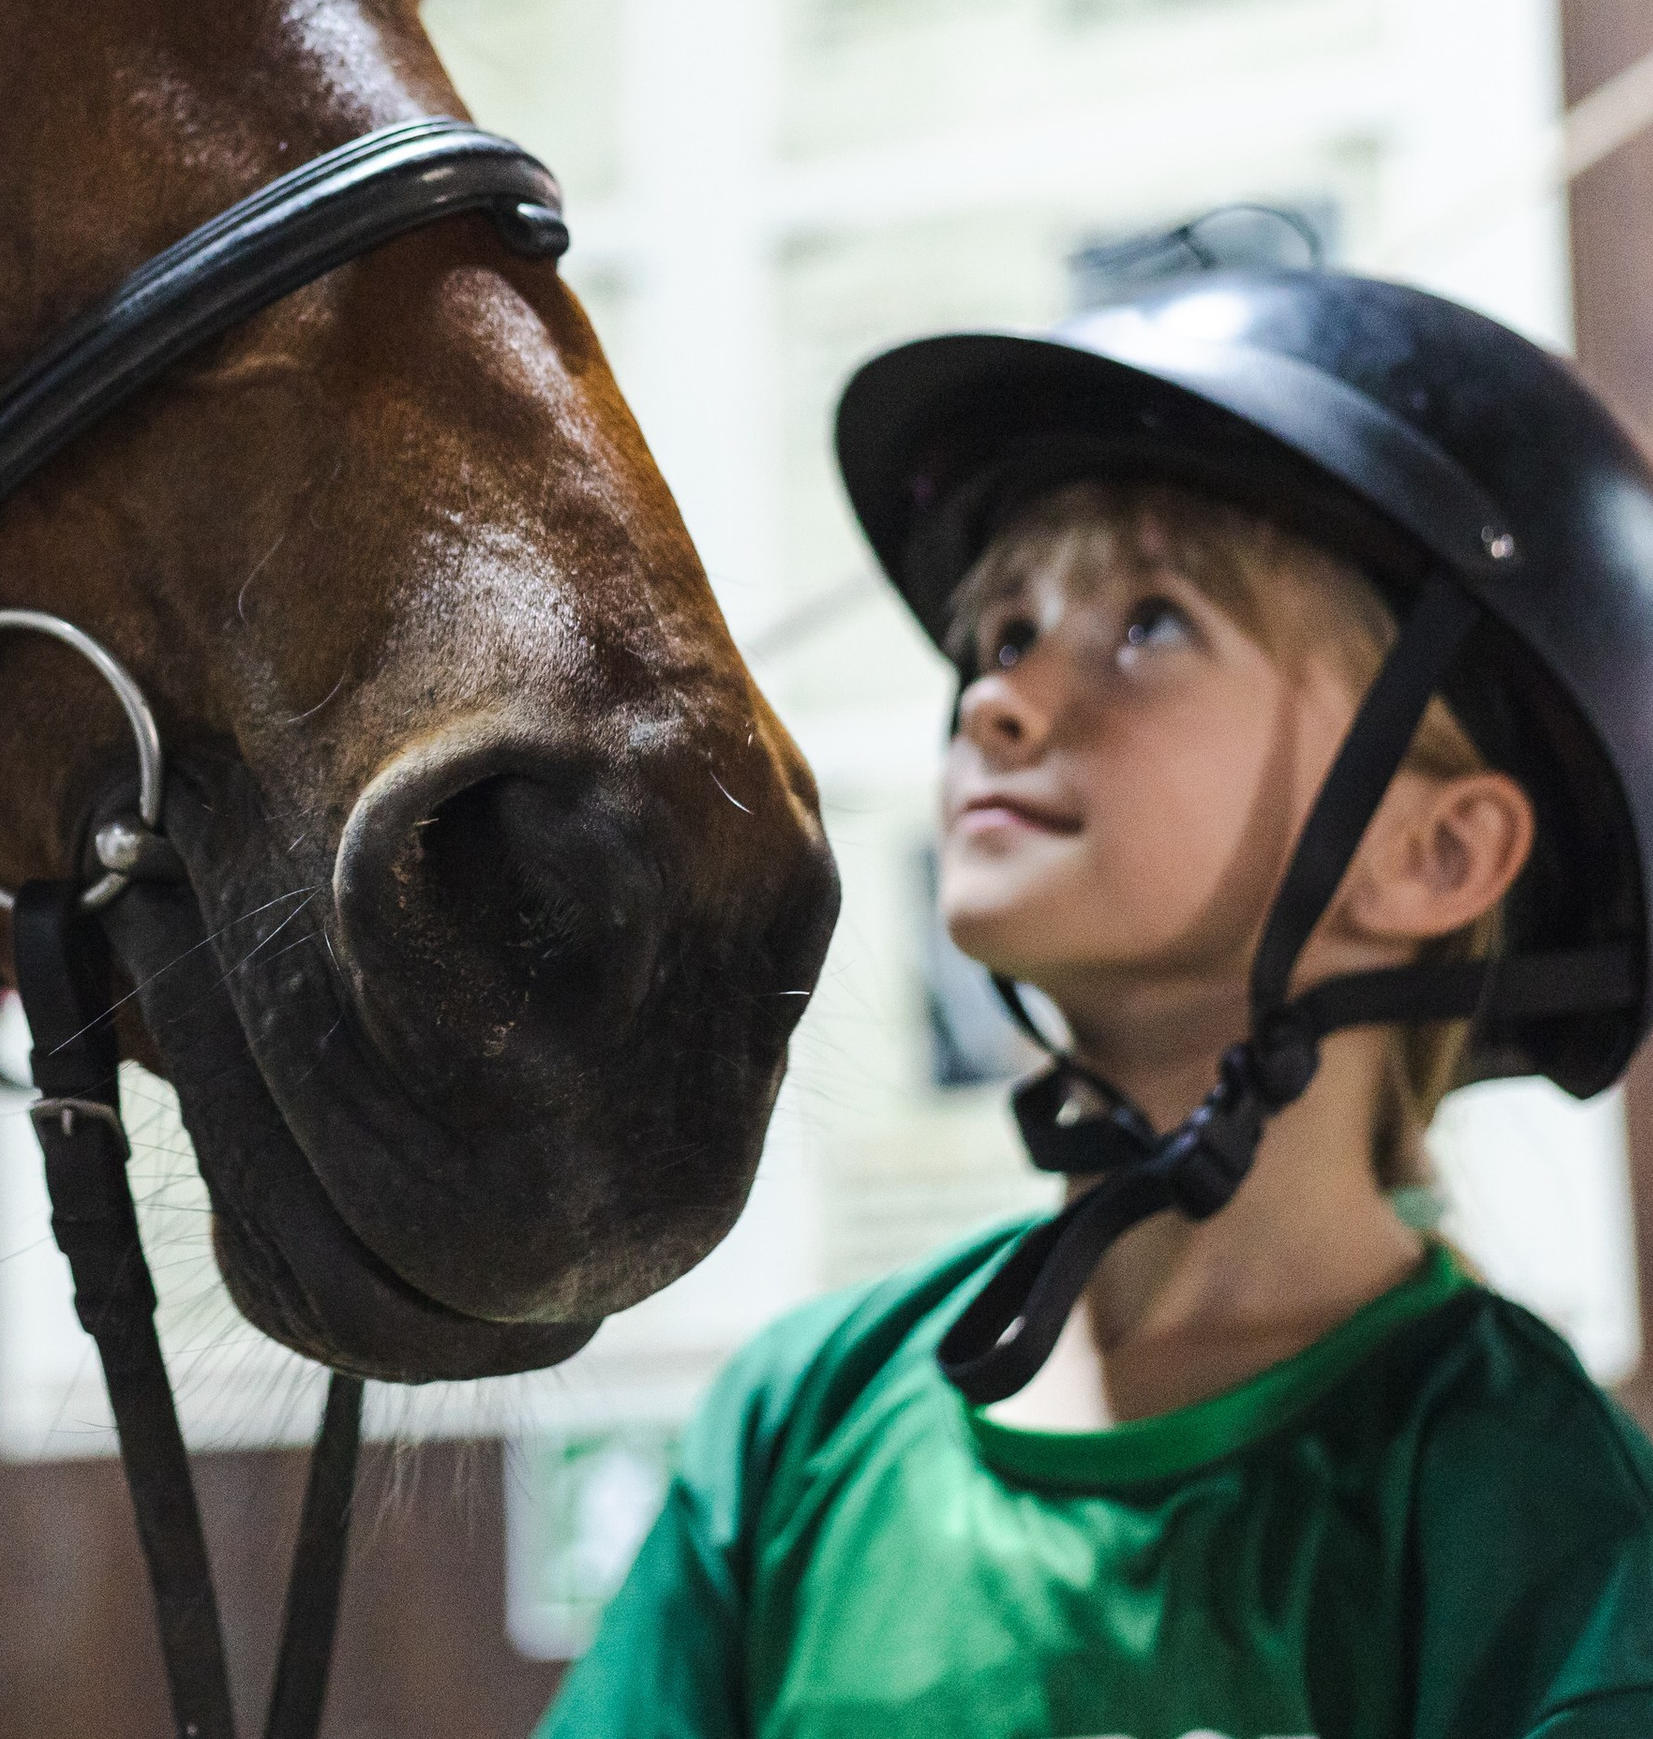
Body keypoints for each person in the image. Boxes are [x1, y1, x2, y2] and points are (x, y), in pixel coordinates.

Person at [538, 267, 1653, 1739]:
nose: (996, 701)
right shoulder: (801, 1423)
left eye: (1152, 626)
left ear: (1431, 854)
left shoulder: (1529, 1509)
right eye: (1004, 636)